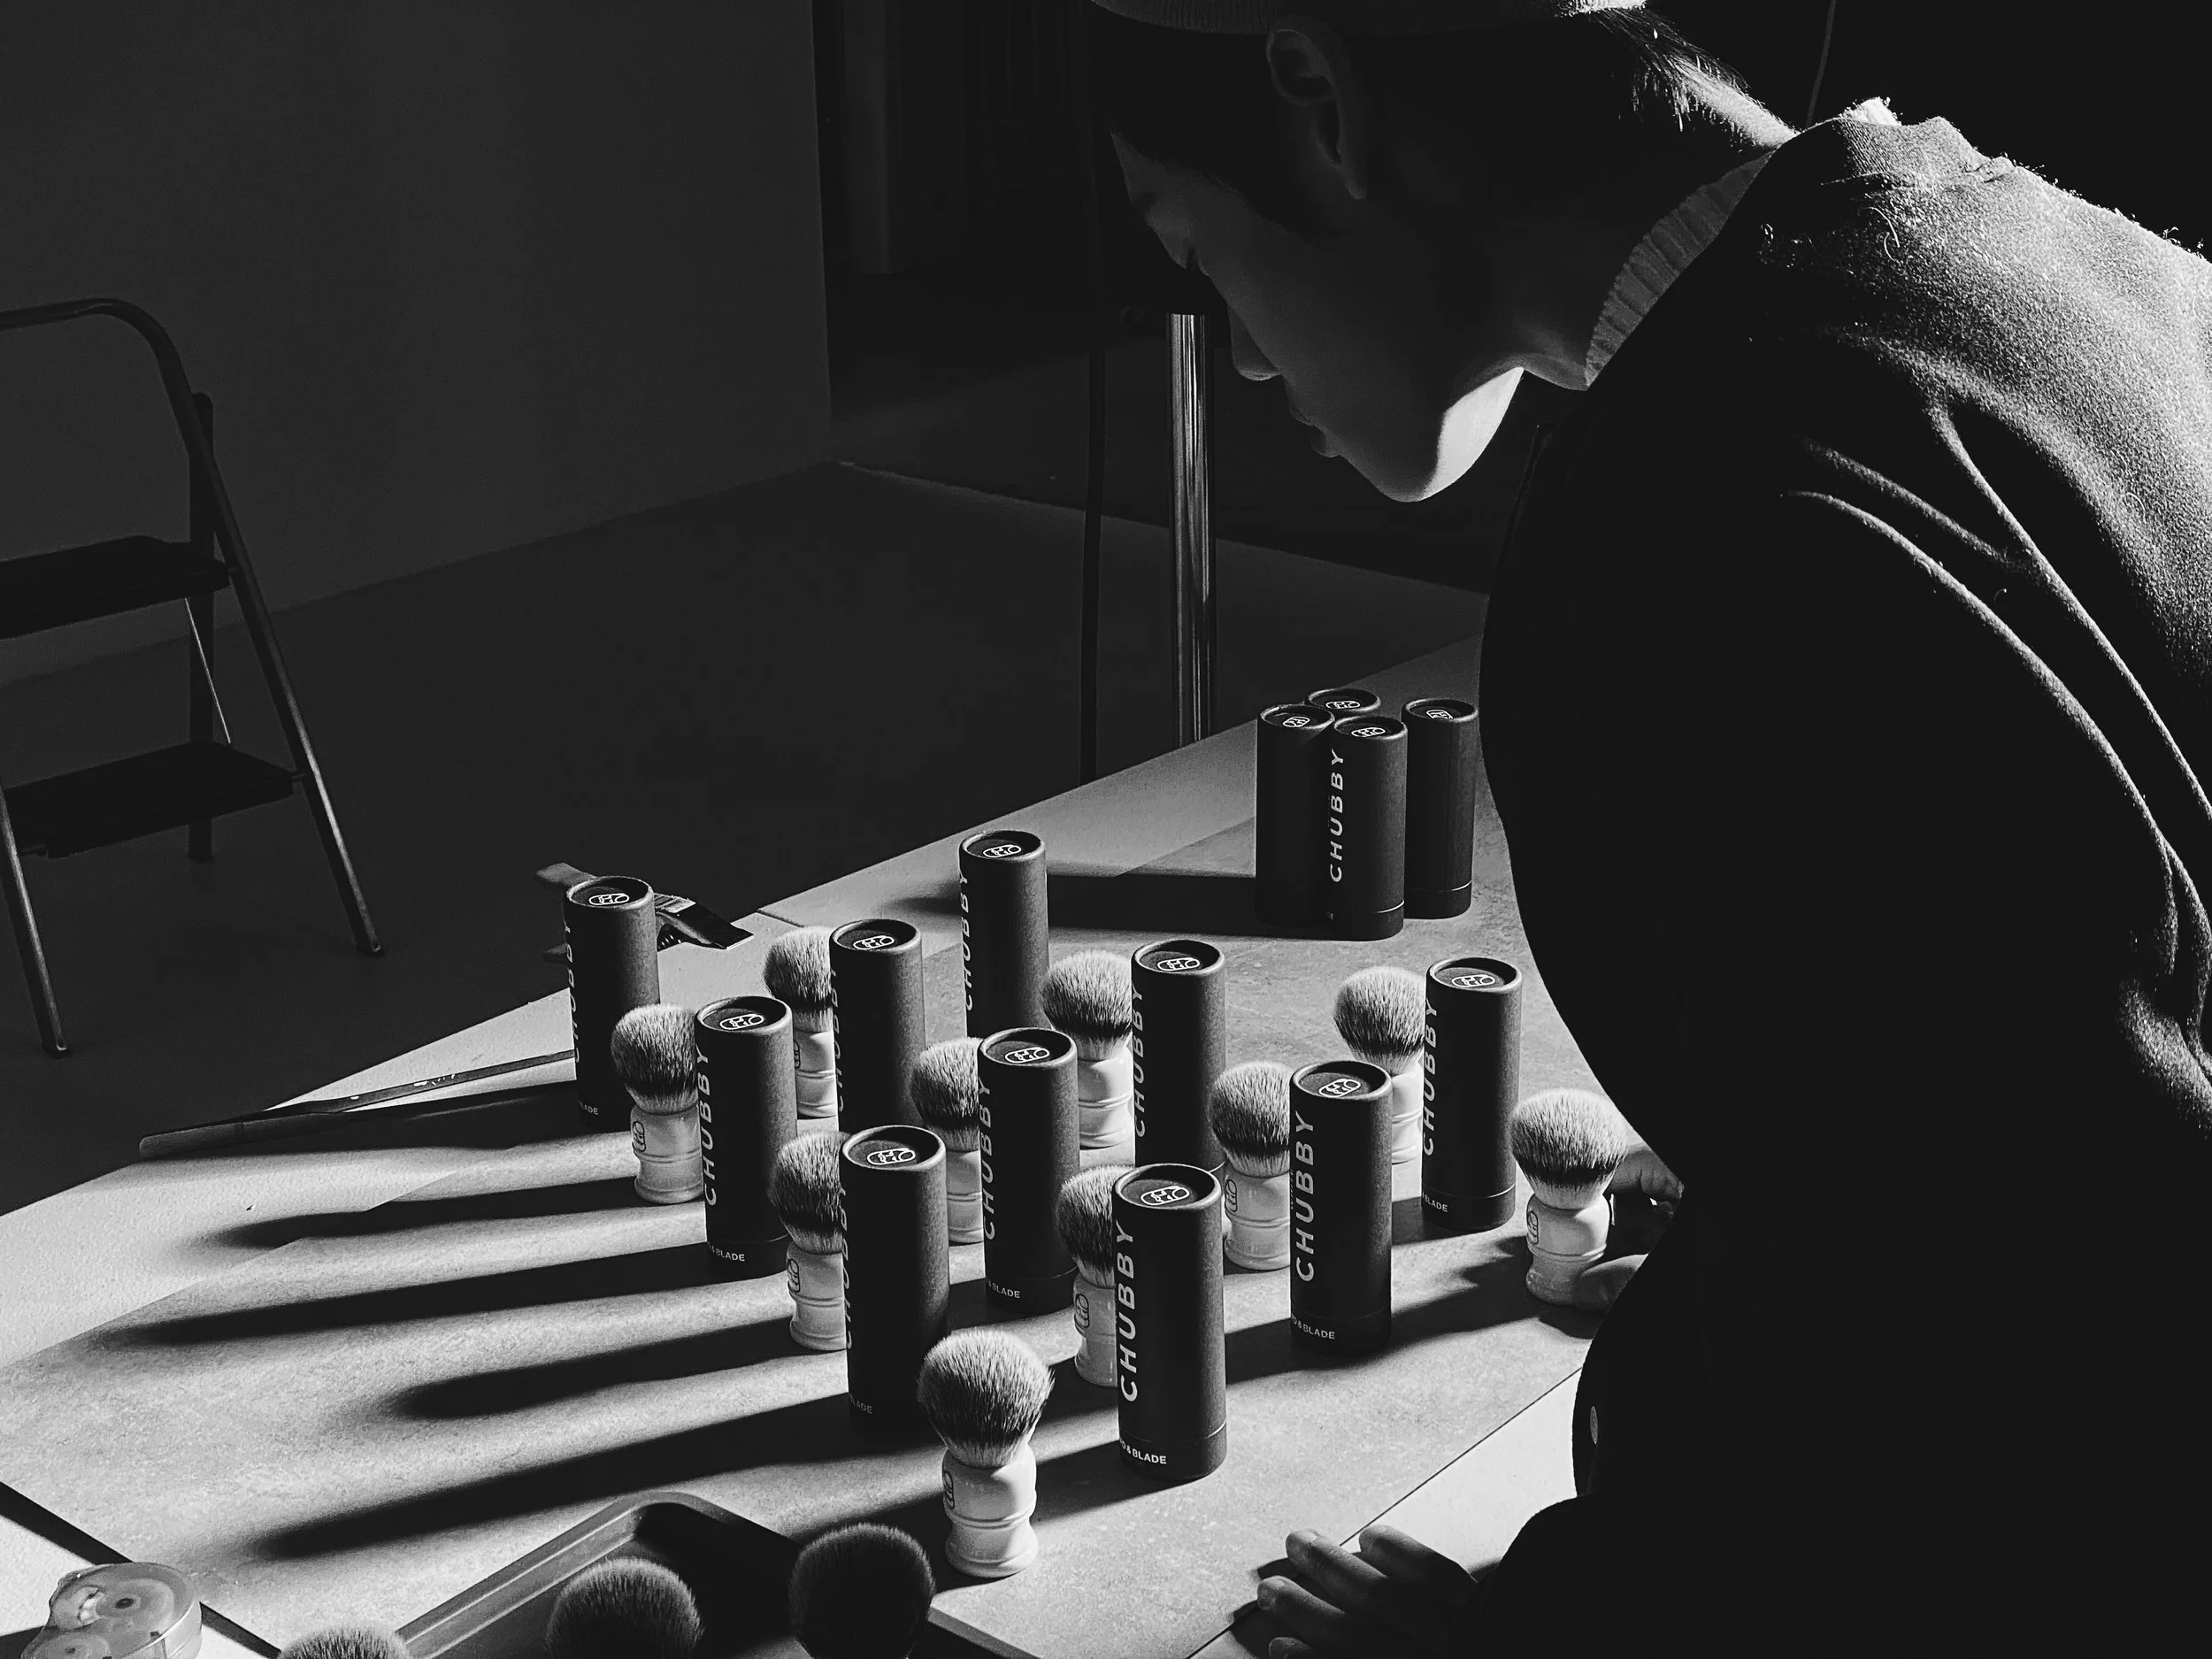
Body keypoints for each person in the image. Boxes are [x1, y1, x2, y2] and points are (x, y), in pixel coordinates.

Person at [1081, 0, 2212, 1647]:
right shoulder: (2089, 265)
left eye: (1195, 244)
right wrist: (1773, 1230)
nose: (1242, 352)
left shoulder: (1702, 534)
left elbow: (2017, 1376)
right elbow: (2013, 1063)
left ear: (1321, 101)